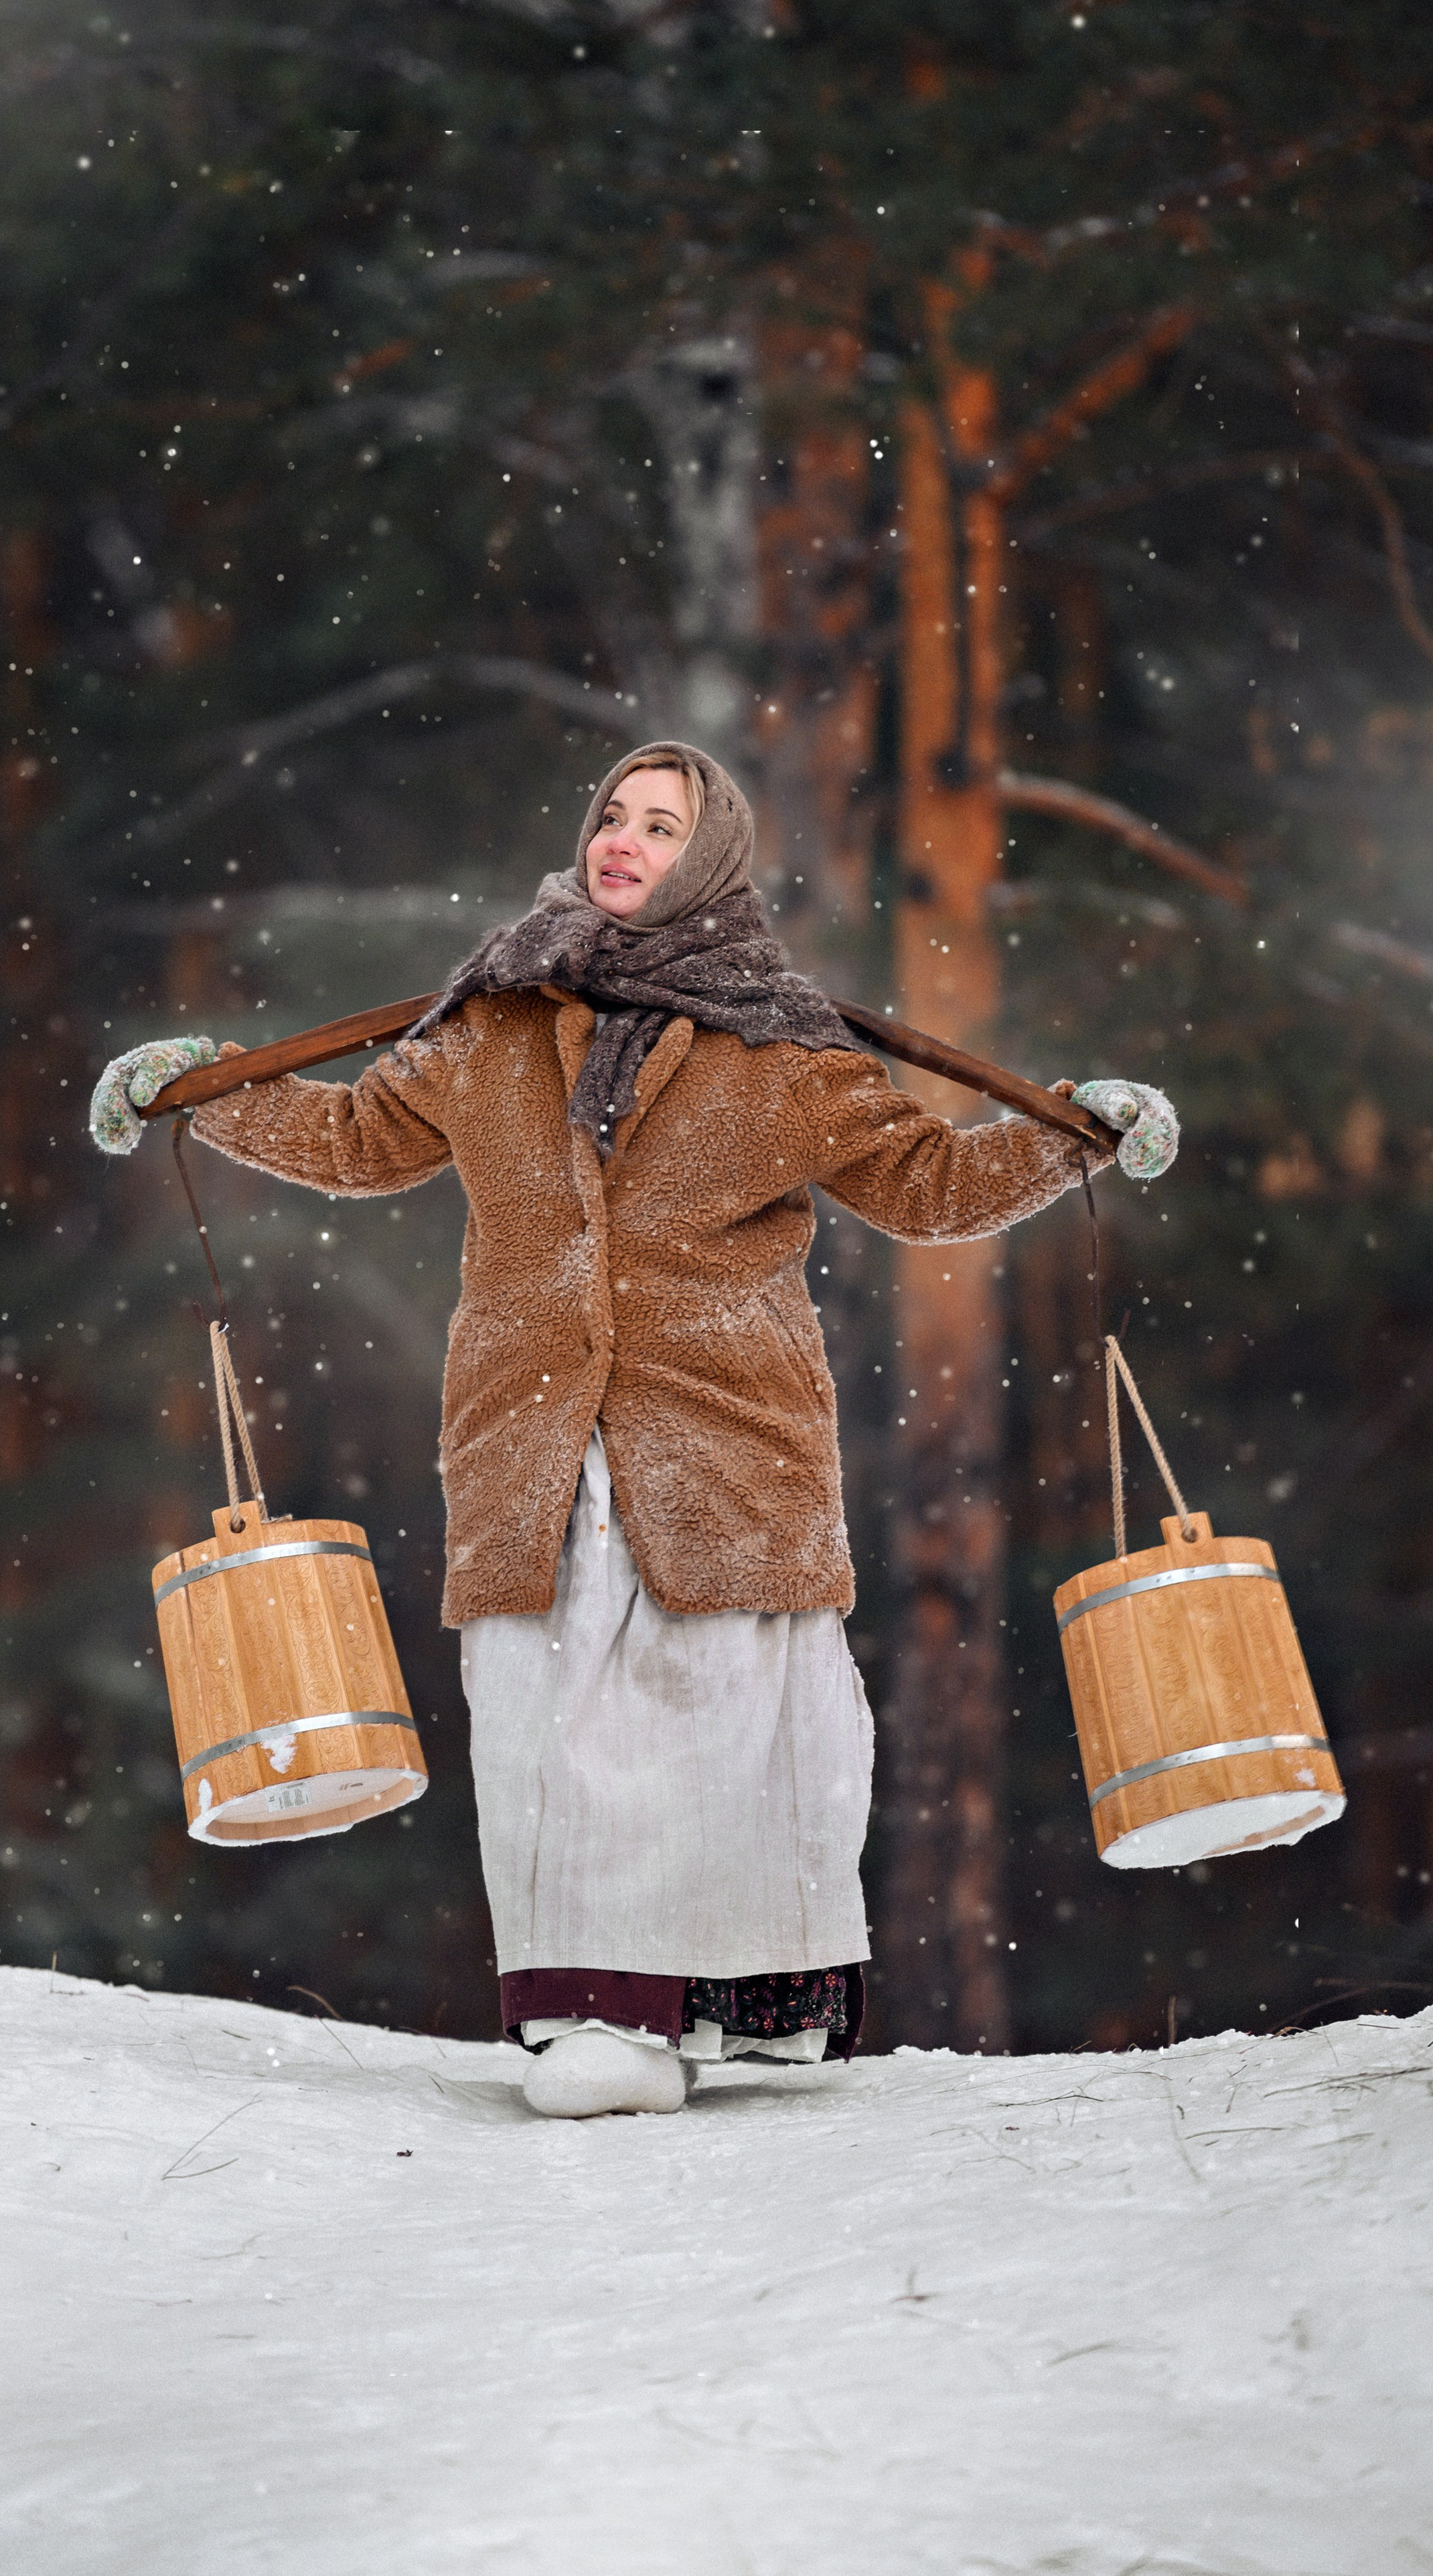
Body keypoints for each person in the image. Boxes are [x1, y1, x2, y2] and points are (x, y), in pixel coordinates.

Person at [90, 742, 1176, 2119]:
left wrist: (1069, 1135)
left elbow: (925, 1181)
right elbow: (362, 1134)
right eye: (613, 814)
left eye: (662, 826)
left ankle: (712, 2013)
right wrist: (212, 1091)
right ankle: (594, 2015)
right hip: (528, 1439)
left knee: (711, 1717)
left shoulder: (777, 1045)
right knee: (546, 1721)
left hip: (724, 1439)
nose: (624, 840)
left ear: (709, 860)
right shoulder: (492, 1019)